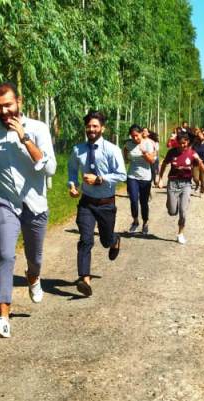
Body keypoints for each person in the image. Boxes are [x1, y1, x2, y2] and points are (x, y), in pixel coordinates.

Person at [0, 82, 56, 339]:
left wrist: (24, 137)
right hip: (5, 201)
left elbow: (50, 168)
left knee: (35, 258)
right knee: (5, 254)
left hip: (35, 203)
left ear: (19, 102)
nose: (4, 111)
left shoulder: (38, 128)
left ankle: (33, 277)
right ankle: (3, 318)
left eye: (8, 105)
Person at [68, 111, 127, 297]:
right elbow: (72, 170)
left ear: (103, 128)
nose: (91, 129)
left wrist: (100, 179)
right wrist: (72, 185)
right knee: (86, 239)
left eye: (95, 126)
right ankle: (84, 279)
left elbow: (122, 174)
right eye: (89, 126)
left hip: (106, 203)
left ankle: (114, 240)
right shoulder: (78, 149)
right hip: (86, 202)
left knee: (105, 240)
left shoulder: (112, 149)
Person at [157, 131, 204, 245]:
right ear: (177, 142)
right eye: (180, 143)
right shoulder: (172, 152)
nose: (182, 145)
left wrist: (199, 161)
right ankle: (171, 204)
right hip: (173, 183)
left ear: (188, 142)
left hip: (186, 184)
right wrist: (160, 179)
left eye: (184, 143)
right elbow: (164, 164)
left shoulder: (192, 153)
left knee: (183, 211)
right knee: (172, 211)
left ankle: (180, 233)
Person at [123, 125, 157, 235]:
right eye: (132, 136)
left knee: (143, 202)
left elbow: (152, 161)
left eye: (136, 135)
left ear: (142, 133)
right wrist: (126, 158)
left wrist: (144, 153)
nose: (135, 138)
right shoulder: (129, 144)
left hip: (145, 177)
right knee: (133, 200)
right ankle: (135, 221)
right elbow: (125, 150)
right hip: (132, 176)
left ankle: (145, 223)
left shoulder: (148, 143)